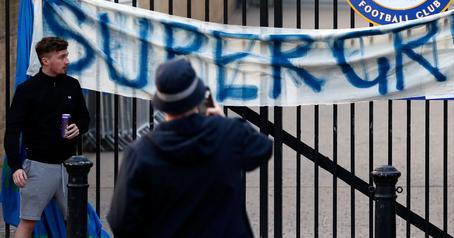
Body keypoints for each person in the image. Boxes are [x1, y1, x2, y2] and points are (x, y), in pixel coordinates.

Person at [107, 57, 273, 237]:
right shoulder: (227, 133)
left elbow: (122, 223)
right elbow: (262, 149)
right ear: (199, 96)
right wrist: (219, 118)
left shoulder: (140, 153)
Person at [4, 36, 90, 238]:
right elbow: (12, 131)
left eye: (66, 55)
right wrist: (16, 167)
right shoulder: (27, 90)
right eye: (62, 57)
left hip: (71, 168)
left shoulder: (72, 85)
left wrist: (79, 127)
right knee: (27, 223)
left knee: (78, 220)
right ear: (45, 60)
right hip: (38, 166)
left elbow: (84, 118)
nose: (67, 60)